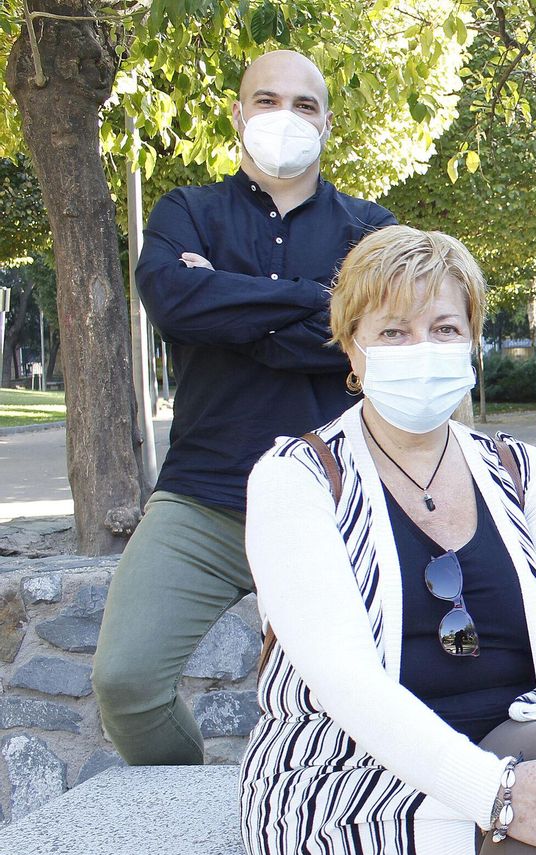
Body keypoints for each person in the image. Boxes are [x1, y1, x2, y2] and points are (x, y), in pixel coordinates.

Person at [240, 226, 536, 855]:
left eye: (444, 328)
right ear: (352, 345)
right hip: (352, 776)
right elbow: (345, 681)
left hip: (522, 740)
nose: (423, 350)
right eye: (395, 333)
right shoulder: (298, 478)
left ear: (470, 341)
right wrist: (499, 795)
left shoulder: (526, 473)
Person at [93, 50, 396, 765]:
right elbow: (175, 304)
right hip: (204, 498)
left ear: (327, 123)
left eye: (304, 104)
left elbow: (379, 338)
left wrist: (228, 300)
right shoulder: (186, 211)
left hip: (334, 497)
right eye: (266, 100)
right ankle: (185, 803)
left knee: (368, 690)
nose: (284, 117)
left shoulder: (371, 228)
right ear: (238, 114)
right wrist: (319, 302)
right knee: (126, 681)